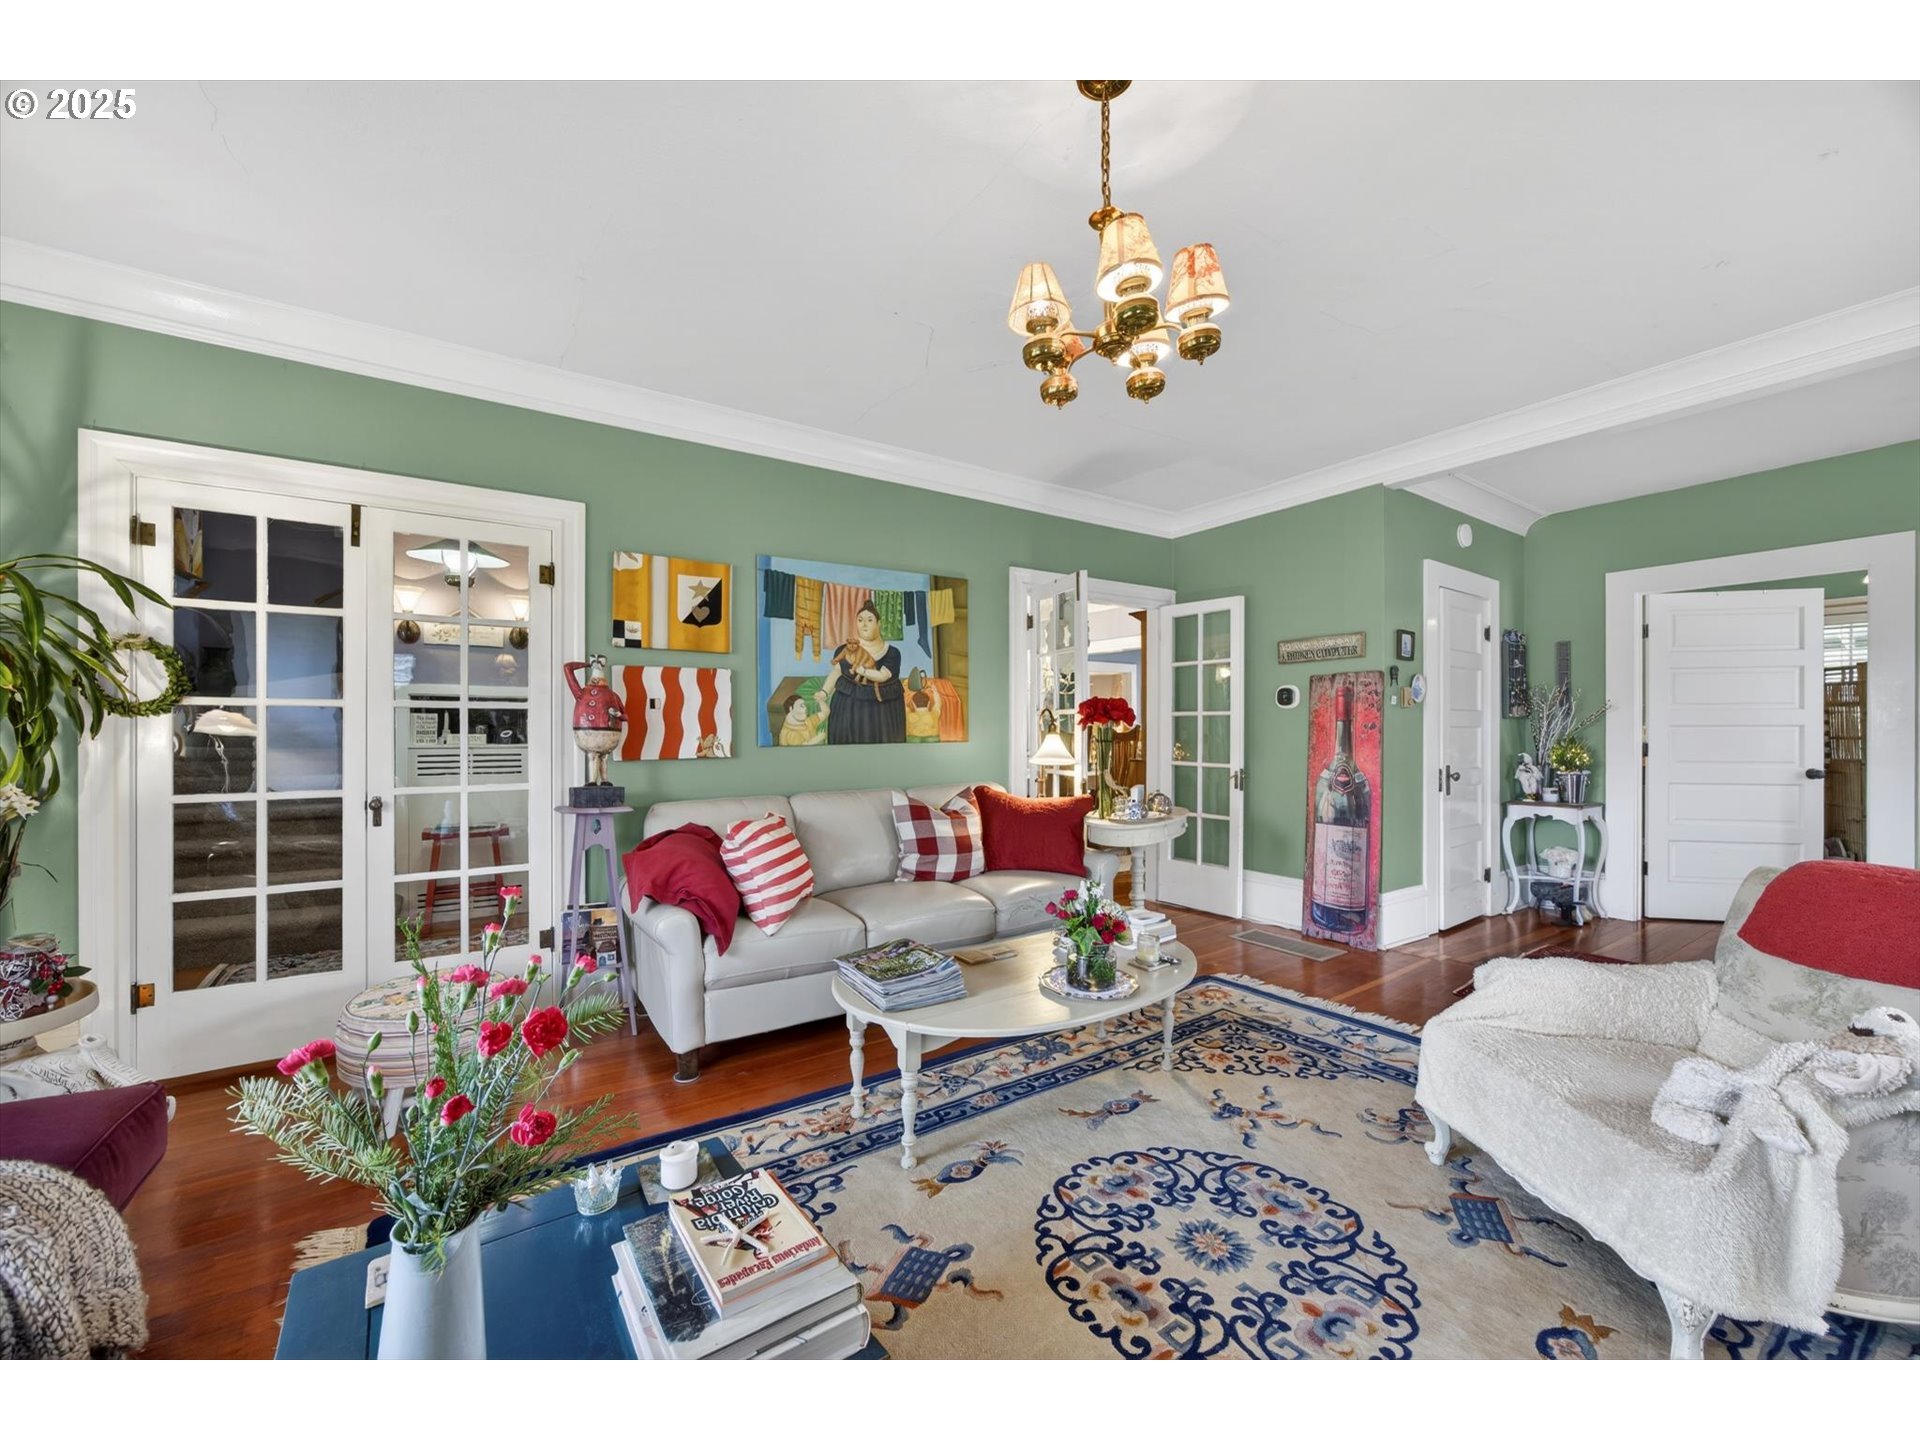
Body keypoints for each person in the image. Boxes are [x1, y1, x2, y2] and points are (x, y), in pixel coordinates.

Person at [820, 601, 905, 744]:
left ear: (879, 623)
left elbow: (883, 676)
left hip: (884, 710)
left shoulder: (892, 653)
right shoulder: (844, 650)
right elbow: (836, 672)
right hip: (849, 708)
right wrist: (824, 692)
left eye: (869, 620)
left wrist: (863, 671)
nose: (864, 624)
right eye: (860, 620)